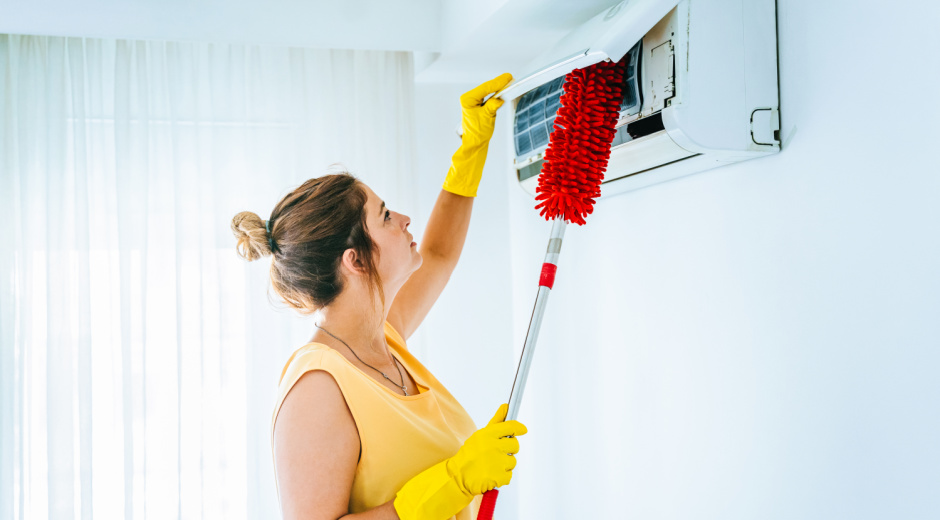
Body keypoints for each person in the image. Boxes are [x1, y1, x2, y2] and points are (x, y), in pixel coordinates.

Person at [231, 73, 528, 520]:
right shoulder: (318, 387)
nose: (405, 218)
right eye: (386, 216)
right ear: (356, 261)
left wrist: (471, 149)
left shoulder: (382, 340)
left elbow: (440, 254)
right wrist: (454, 481)